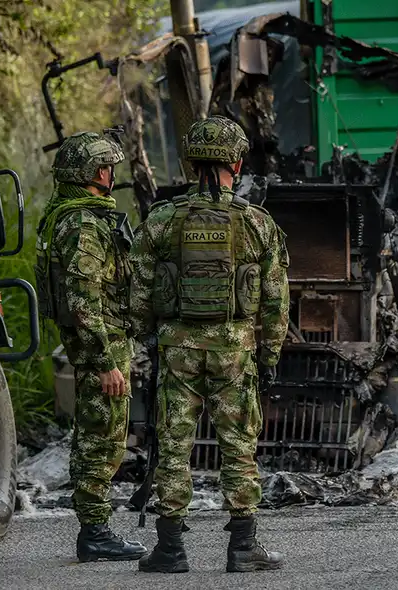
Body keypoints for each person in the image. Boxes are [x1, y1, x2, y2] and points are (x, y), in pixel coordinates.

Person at [129, 116, 290, 574]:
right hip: (235, 352)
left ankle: (170, 550)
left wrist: (149, 340)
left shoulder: (161, 221)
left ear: (190, 161)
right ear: (236, 164)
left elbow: (139, 295)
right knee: (239, 445)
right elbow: (276, 301)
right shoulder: (257, 223)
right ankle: (243, 548)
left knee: (174, 445)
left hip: (176, 350)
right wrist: (270, 356)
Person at [34, 132, 147, 562]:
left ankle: (95, 529)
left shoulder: (66, 216)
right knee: (101, 439)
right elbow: (84, 300)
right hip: (102, 348)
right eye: (109, 168)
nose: (112, 174)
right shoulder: (81, 224)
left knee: (98, 435)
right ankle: (95, 533)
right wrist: (105, 361)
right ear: (98, 173)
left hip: (102, 342)